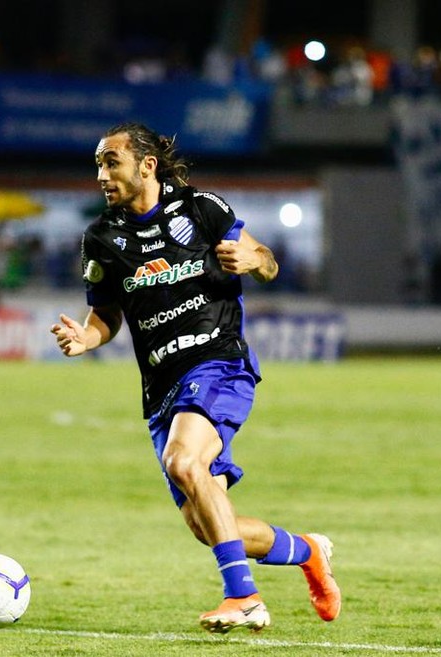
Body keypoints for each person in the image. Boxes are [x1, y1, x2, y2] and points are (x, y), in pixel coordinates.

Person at [50, 122, 341, 632]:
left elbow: (266, 261)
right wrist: (86, 339)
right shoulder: (101, 239)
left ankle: (244, 596)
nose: (101, 174)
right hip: (162, 388)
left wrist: (255, 259)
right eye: (97, 164)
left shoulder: (204, 209)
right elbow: (106, 317)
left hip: (219, 364)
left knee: (184, 461)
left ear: (147, 164)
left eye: (110, 161)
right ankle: (308, 550)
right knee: (206, 525)